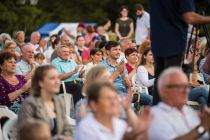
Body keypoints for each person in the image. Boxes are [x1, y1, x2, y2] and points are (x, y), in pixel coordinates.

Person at [149, 0, 210, 105]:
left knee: (161, 84)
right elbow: (190, 17)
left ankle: (158, 115)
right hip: (174, 42)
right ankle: (171, 117)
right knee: (173, 84)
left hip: (158, 42)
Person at [74, 80, 152, 140]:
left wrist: (142, 129)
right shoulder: (87, 127)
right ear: (94, 105)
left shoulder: (118, 123)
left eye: (115, 98)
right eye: (108, 99)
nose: (114, 102)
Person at [149, 67, 210, 140]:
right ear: (163, 90)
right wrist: (202, 127)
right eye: (179, 87)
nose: (186, 91)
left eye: (187, 86)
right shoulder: (156, 115)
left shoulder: (191, 112)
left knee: (202, 99)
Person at [18, 65, 72, 139]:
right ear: (41, 82)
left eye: (58, 78)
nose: (57, 82)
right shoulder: (30, 104)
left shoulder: (58, 101)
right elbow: (26, 135)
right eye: (52, 78)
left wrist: (67, 137)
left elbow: (66, 128)